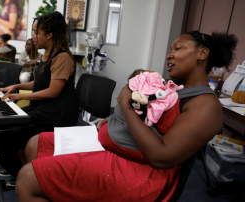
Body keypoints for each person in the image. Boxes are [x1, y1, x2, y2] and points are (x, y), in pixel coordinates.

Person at [16, 30, 238, 201]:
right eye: (170, 49)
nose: (169, 54)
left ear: (203, 53)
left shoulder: (206, 105)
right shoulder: (172, 89)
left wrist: (125, 107)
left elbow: (162, 157)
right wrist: (115, 121)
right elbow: (149, 119)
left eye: (178, 48)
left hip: (145, 174)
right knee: (34, 145)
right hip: (124, 150)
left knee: (26, 179)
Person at [0, 11, 79, 186]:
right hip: (45, 107)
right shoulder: (46, 53)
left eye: (35, 32)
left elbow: (53, 91)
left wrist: (18, 95)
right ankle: (21, 168)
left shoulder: (62, 57)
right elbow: (40, 82)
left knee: (11, 132)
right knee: (7, 126)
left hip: (58, 112)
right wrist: (16, 86)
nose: (32, 36)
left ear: (49, 34)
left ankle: (28, 178)